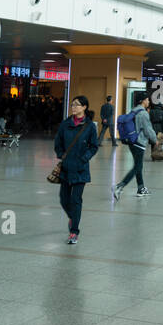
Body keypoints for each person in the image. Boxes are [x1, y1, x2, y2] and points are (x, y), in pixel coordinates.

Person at [54, 95, 99, 243]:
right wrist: (61, 155)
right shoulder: (65, 124)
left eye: (77, 105)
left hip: (81, 168)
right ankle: (73, 218)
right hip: (66, 168)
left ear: (84, 107)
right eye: (72, 105)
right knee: (63, 199)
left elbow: (94, 146)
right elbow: (58, 142)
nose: (73, 107)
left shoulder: (90, 126)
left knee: (76, 200)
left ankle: (74, 231)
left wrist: (84, 158)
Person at [113, 92, 156, 199]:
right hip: (139, 142)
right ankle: (120, 186)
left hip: (132, 142)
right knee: (137, 167)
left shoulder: (134, 110)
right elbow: (148, 130)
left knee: (138, 165)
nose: (148, 102)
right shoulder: (143, 113)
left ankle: (141, 188)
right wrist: (155, 140)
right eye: (147, 100)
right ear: (143, 101)